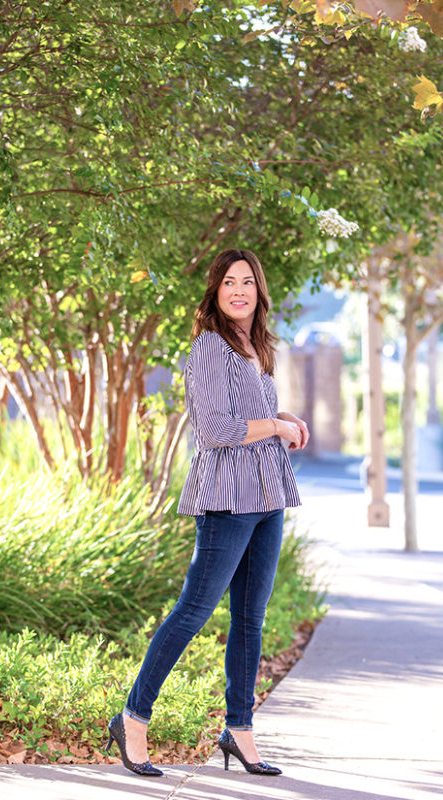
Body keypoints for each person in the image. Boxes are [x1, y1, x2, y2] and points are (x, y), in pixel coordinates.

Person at [106, 248, 309, 776]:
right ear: (216, 292)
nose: (238, 290)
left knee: (251, 618)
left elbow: (248, 415)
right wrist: (277, 427)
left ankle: (238, 730)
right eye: (228, 283)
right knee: (193, 611)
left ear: (259, 291)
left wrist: (280, 416)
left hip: (267, 496)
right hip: (227, 498)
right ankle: (132, 718)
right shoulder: (209, 348)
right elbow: (216, 431)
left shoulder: (255, 346)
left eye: (247, 281)